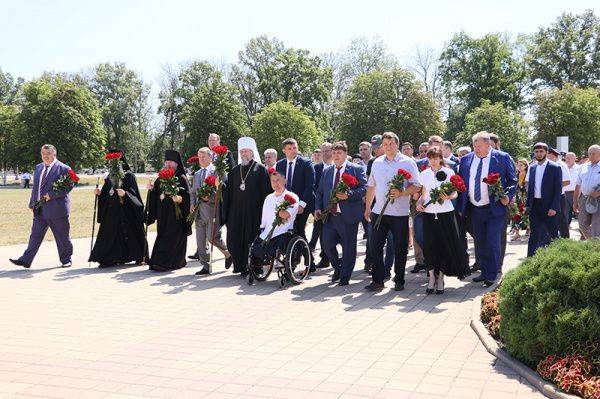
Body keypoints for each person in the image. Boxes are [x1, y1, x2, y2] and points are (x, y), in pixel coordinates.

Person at [457, 131, 516, 287]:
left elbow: (512, 180)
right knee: (480, 241)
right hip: (474, 208)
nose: (476, 149)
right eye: (474, 146)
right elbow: (461, 183)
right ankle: (483, 271)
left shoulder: (502, 158)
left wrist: (507, 196)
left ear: (488, 144)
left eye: (480, 146)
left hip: (495, 207)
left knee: (492, 240)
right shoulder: (465, 160)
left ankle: (492, 273)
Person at [364, 132, 420, 291]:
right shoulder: (377, 162)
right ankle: (378, 280)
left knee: (400, 248)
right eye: (385, 144)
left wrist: (402, 192)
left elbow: (417, 185)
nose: (388, 147)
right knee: (374, 247)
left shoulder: (408, 162)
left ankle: (399, 279)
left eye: (391, 144)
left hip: (399, 214)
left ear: (397, 144)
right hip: (378, 212)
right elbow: (371, 186)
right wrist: (368, 207)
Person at [10, 144, 74, 269]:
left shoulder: (64, 168)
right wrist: (32, 203)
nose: (45, 156)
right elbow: (36, 188)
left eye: (48, 154)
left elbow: (69, 186)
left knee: (62, 236)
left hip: (57, 209)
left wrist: (52, 194)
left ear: (54, 154)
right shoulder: (39, 167)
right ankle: (26, 260)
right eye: (43, 154)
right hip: (39, 209)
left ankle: (66, 259)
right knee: (35, 235)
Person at [416, 147, 470, 294]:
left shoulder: (449, 172)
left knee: (444, 246)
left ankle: (440, 278)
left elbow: (455, 193)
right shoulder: (424, 174)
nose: (433, 161)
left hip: (445, 214)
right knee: (430, 246)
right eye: (430, 158)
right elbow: (423, 193)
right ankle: (431, 277)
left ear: (441, 158)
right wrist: (419, 203)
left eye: (436, 157)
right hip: (428, 215)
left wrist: (449, 196)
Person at [315, 141, 367, 286]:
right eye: (334, 152)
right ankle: (338, 267)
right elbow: (319, 192)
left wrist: (349, 195)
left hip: (348, 216)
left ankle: (345, 275)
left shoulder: (356, 169)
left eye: (339, 153)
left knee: (349, 247)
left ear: (345, 154)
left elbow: (364, 188)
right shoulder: (327, 171)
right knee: (326, 244)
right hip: (330, 215)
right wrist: (317, 207)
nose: (336, 155)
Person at [89, 149, 147, 268]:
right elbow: (107, 193)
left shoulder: (128, 175)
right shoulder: (109, 176)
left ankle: (138, 256)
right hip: (112, 212)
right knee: (110, 234)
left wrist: (125, 194)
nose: (111, 163)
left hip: (127, 211)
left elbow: (134, 194)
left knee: (131, 233)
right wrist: (100, 193)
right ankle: (111, 258)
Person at [222, 137, 272, 275]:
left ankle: (254, 267)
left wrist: (265, 214)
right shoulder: (234, 171)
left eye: (246, 151)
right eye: (241, 151)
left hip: (254, 213)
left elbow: (267, 193)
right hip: (236, 213)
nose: (243, 154)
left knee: (252, 239)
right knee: (234, 239)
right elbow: (228, 191)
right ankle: (239, 266)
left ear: (252, 152)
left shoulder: (260, 170)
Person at [146, 150, 192, 272]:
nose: (168, 164)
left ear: (176, 163)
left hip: (177, 216)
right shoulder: (161, 177)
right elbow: (156, 193)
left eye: (171, 162)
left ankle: (172, 263)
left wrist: (179, 198)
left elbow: (188, 197)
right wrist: (151, 189)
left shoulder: (181, 177)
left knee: (173, 237)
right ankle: (158, 261)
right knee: (162, 236)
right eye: (166, 162)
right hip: (163, 215)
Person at [190, 147, 232, 275]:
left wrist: (211, 196)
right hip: (199, 211)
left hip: (213, 209)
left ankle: (228, 253)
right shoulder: (197, 174)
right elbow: (193, 192)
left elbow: (224, 191)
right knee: (201, 240)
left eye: (203, 157)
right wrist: (192, 205)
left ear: (210, 157)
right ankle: (206, 266)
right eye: (199, 157)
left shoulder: (218, 172)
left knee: (212, 237)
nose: (201, 159)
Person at [249, 169, 299, 265]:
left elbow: (287, 215)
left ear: (285, 180)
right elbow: (264, 217)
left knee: (272, 249)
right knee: (255, 249)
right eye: (273, 181)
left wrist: (280, 211)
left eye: (278, 180)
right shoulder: (268, 198)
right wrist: (262, 228)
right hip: (267, 232)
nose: (275, 183)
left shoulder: (292, 197)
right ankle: (256, 270)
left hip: (283, 232)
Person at [363, 134, 394, 275]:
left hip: (393, 207)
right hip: (376, 207)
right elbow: (371, 184)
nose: (376, 150)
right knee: (374, 239)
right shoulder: (373, 162)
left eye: (378, 147)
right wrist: (368, 204)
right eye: (374, 148)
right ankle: (373, 264)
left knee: (391, 240)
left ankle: (387, 269)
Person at [526, 143, 563, 257]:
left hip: (549, 206)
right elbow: (530, 188)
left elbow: (558, 189)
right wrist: (528, 205)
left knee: (553, 234)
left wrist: (554, 207)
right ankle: (530, 260)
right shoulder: (532, 168)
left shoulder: (555, 167)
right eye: (536, 152)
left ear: (546, 152)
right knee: (534, 235)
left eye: (541, 151)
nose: (539, 154)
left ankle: (557, 259)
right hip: (535, 205)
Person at [310, 142, 332, 269]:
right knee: (321, 232)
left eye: (327, 150)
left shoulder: (337, 166)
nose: (324, 153)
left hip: (337, 206)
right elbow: (314, 188)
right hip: (321, 206)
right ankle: (324, 258)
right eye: (322, 151)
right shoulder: (316, 168)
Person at [573, 144, 600, 239]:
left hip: (598, 199)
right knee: (582, 226)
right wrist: (575, 202)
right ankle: (593, 243)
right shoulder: (583, 167)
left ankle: (595, 249)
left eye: (593, 154)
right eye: (589, 153)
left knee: (597, 227)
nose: (591, 155)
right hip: (584, 198)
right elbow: (578, 185)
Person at [547, 148, 571, 238]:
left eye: (547, 154)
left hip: (559, 195)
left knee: (561, 219)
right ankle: (552, 238)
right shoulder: (548, 165)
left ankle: (565, 239)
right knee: (550, 218)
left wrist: (553, 188)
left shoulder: (561, 165)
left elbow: (567, 181)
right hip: (549, 196)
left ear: (552, 155)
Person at [510, 159, 529, 241]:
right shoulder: (516, 174)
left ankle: (529, 230)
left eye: (521, 165)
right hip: (518, 198)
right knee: (516, 214)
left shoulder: (528, 175)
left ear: (525, 166)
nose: (519, 167)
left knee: (527, 214)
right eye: (518, 165)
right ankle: (517, 234)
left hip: (526, 197)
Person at [563, 152, 580, 228]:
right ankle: (565, 231)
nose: (568, 159)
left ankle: (583, 231)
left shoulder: (579, 168)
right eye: (567, 158)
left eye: (570, 158)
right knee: (565, 213)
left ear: (574, 158)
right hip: (565, 193)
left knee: (578, 212)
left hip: (576, 193)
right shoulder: (563, 167)